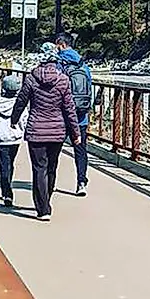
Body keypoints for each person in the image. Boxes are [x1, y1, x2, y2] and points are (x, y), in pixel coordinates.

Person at [10, 50, 80, 220]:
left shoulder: (31, 79)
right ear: (55, 63)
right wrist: (75, 132)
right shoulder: (63, 80)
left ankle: (43, 209)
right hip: (57, 131)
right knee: (52, 167)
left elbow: (21, 101)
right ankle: (46, 198)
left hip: (36, 130)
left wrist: (14, 119)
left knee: (39, 169)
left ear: (40, 62)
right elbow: (69, 109)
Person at [59, 44, 96, 194]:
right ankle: (81, 182)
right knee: (80, 150)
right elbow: (90, 90)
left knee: (53, 150)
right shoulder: (84, 66)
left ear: (60, 45)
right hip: (81, 117)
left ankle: (50, 180)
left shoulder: (59, 64)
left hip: (61, 117)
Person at [0, 71, 26, 209]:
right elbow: (24, 121)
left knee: (4, 166)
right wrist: (19, 132)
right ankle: (8, 188)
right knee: (11, 163)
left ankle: (7, 193)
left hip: (2, 139)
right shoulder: (20, 105)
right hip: (15, 139)